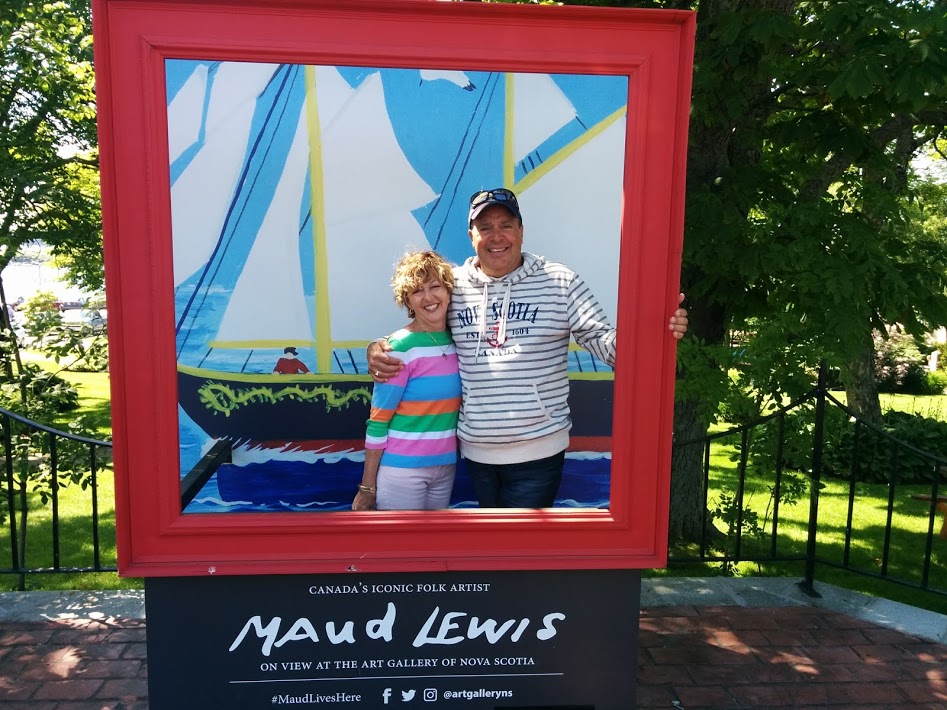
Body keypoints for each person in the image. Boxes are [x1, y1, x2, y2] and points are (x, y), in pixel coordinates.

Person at [368, 187, 688, 508]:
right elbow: (424, 329)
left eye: (506, 225)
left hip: (538, 451)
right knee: (493, 540)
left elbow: (602, 340)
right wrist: (378, 348)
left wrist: (655, 332)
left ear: (521, 230)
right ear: (471, 236)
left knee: (514, 543)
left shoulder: (560, 281)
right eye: (485, 227)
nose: (496, 237)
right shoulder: (453, 285)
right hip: (476, 453)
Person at [353, 251, 462, 511]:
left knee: (435, 538)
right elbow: (378, 421)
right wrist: (367, 488)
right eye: (417, 291)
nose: (428, 297)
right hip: (402, 471)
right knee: (402, 540)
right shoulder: (398, 348)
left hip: (445, 468)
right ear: (408, 301)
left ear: (448, 291)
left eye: (435, 287)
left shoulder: (460, 339)